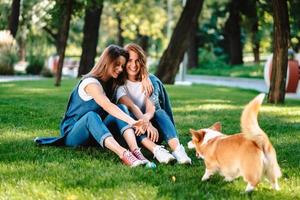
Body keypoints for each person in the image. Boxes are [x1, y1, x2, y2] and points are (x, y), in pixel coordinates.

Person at [35, 45, 150, 167]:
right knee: (91, 116)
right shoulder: (90, 83)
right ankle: (123, 154)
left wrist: (146, 78)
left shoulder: (111, 83)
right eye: (117, 64)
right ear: (107, 62)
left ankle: (136, 152)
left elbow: (134, 78)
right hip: (74, 134)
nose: (120, 69)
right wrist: (132, 122)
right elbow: (107, 105)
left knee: (121, 108)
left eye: (122, 65)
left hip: (96, 133)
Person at [116, 43, 191, 164]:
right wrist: (146, 123)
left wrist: (147, 121)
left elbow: (151, 108)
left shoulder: (150, 81)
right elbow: (132, 107)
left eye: (137, 60)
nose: (133, 65)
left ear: (142, 61)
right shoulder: (120, 85)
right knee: (130, 115)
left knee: (160, 112)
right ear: (124, 62)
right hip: (134, 133)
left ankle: (178, 151)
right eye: (129, 61)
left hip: (154, 132)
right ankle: (157, 151)